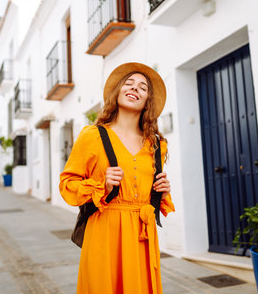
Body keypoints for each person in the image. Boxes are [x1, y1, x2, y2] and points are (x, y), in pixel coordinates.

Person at [59, 62, 174, 293]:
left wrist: (161, 190)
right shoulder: (92, 136)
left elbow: (145, 190)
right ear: (118, 91)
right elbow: (67, 184)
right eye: (129, 83)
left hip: (142, 234)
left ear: (147, 101)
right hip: (105, 230)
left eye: (143, 87)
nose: (134, 88)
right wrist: (101, 184)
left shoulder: (157, 145)